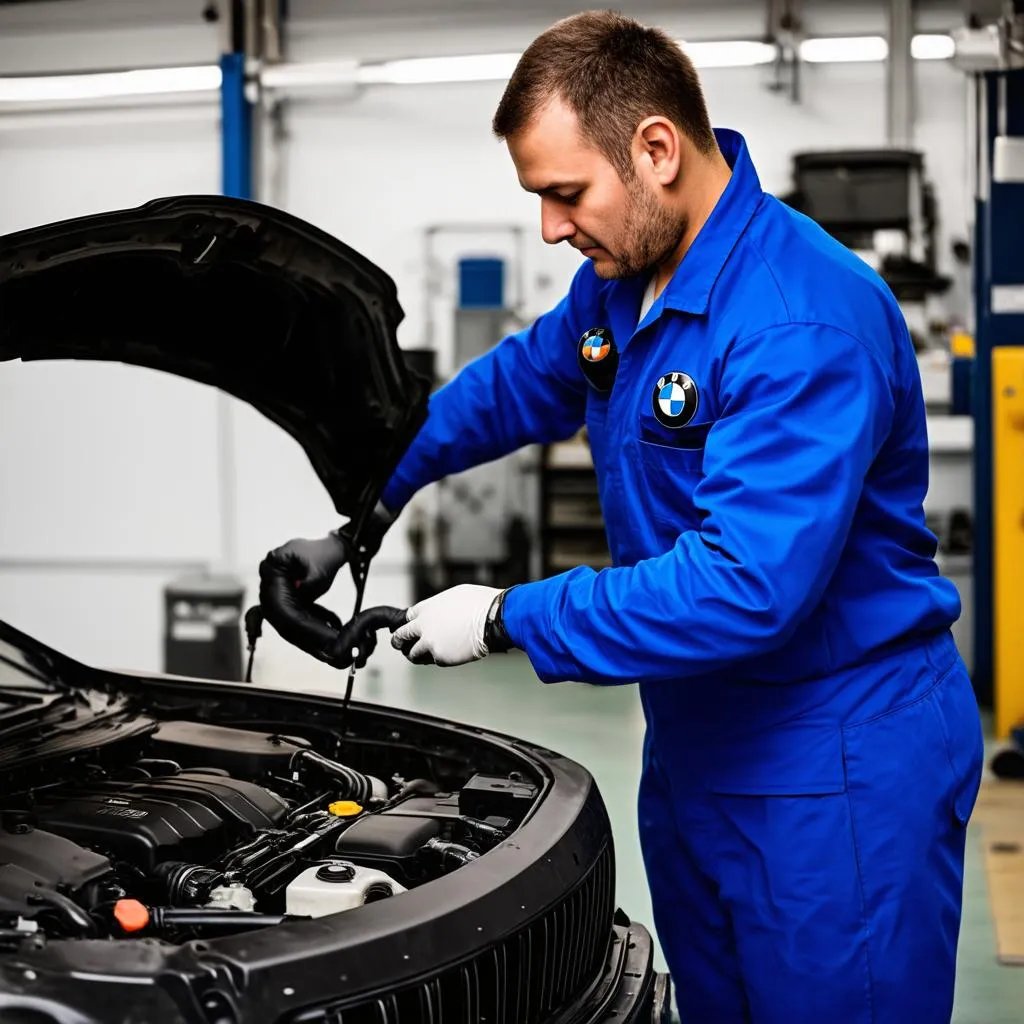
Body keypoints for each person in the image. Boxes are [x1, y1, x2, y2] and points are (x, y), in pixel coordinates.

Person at [259, 11, 984, 1023]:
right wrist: (364, 515)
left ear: (654, 148)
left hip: (836, 767)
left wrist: (509, 615)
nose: (552, 226)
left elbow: (744, 584)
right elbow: (513, 384)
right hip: (698, 742)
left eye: (565, 193)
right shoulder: (625, 284)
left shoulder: (798, 319)